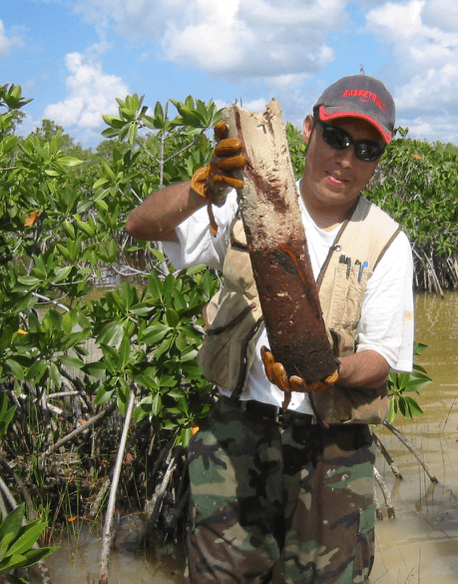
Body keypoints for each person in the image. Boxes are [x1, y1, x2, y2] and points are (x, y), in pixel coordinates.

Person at [126, 74, 414, 584]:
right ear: (309, 129)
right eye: (337, 138)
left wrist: (329, 370)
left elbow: (383, 357)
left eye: (366, 149)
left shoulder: (387, 240)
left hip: (333, 449)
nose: (347, 159)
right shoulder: (245, 201)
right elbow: (140, 225)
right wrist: (204, 190)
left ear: (378, 160)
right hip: (236, 432)